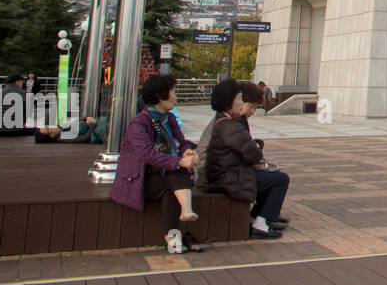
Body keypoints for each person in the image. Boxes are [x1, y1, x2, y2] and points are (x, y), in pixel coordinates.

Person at [108, 74, 201, 255]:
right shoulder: (139, 123)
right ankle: (186, 212)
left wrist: (186, 151)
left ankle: (172, 236)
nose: (176, 96)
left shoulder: (169, 119)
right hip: (138, 179)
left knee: (172, 188)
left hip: (163, 176)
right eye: (173, 92)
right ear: (161, 95)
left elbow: (181, 141)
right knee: (177, 175)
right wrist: (180, 161)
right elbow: (147, 154)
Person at [204, 82, 289, 239]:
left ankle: (258, 217)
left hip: (224, 175)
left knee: (268, 177)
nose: (242, 103)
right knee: (280, 179)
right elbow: (253, 155)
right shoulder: (230, 126)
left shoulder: (223, 122)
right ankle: (261, 223)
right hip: (229, 179)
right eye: (239, 99)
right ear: (229, 102)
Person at [34, 115, 108, 144]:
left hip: (96, 124)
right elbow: (84, 138)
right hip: (96, 132)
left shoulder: (62, 127)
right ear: (52, 136)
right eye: (48, 128)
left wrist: (87, 118)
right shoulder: (64, 137)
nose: (50, 126)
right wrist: (92, 124)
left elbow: (78, 120)